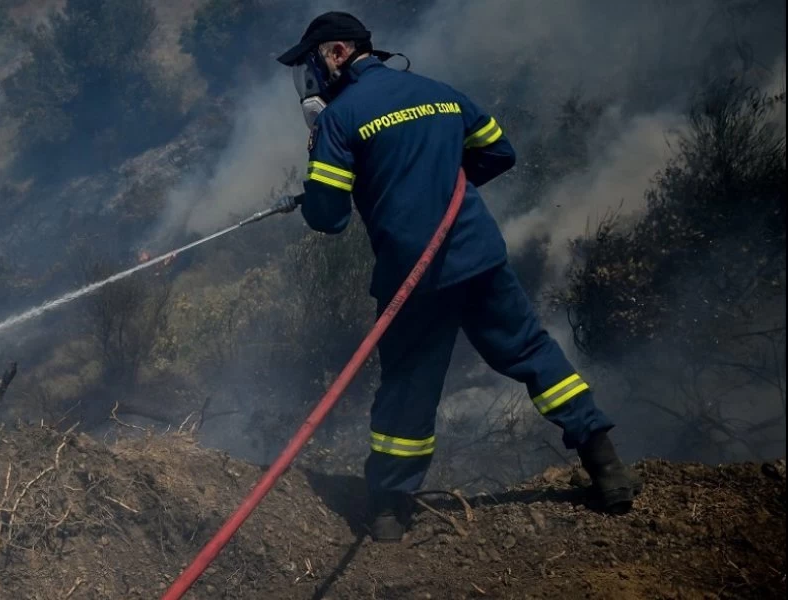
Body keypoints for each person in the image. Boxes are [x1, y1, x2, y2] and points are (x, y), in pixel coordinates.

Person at [271, 11, 643, 542]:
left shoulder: (339, 118)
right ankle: (606, 465)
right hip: (479, 257)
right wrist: (439, 177)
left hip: (412, 279)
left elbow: (328, 219)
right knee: (534, 355)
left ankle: (387, 513)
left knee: (408, 390)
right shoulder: (441, 93)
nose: (308, 79)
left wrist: (325, 179)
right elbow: (499, 152)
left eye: (310, 64)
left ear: (335, 54)